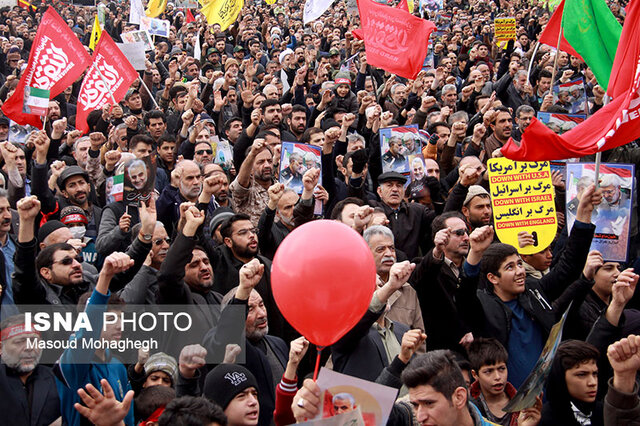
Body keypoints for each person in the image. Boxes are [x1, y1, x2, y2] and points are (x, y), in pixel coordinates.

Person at [292, 350, 542, 426]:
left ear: (459, 396)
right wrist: (313, 411)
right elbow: (374, 415)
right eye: (415, 404)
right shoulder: (408, 420)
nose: (420, 415)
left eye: (429, 404)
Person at [0, 314, 61, 426]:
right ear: (1, 348)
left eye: (34, 341)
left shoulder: (58, 380)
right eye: (19, 342)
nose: (29, 347)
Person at [539, 340, 603, 426]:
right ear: (561, 377)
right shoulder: (545, 419)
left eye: (594, 374)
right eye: (582, 375)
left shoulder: (604, 412)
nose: (592, 382)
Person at [467, 338, 519, 426]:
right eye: (488, 371)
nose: (497, 377)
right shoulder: (469, 408)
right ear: (475, 374)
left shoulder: (522, 404)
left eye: (501, 369)